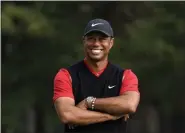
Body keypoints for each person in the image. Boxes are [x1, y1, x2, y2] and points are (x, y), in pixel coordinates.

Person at [53, 18, 140, 133]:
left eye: (102, 39)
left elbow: (129, 105)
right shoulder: (66, 75)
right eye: (91, 39)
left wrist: (89, 102)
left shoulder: (126, 76)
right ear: (83, 41)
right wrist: (111, 116)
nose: (96, 44)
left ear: (111, 43)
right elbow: (67, 114)